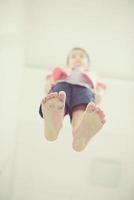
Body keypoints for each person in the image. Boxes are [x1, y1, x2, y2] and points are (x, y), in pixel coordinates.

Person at [39, 47, 106, 152]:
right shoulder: (62, 71)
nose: (77, 58)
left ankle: (80, 131)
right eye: (73, 56)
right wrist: (47, 86)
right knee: (58, 99)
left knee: (82, 108)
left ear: (87, 64)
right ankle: (54, 121)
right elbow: (50, 80)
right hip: (63, 84)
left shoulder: (93, 75)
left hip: (85, 89)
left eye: (82, 56)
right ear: (68, 63)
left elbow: (100, 87)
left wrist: (99, 95)